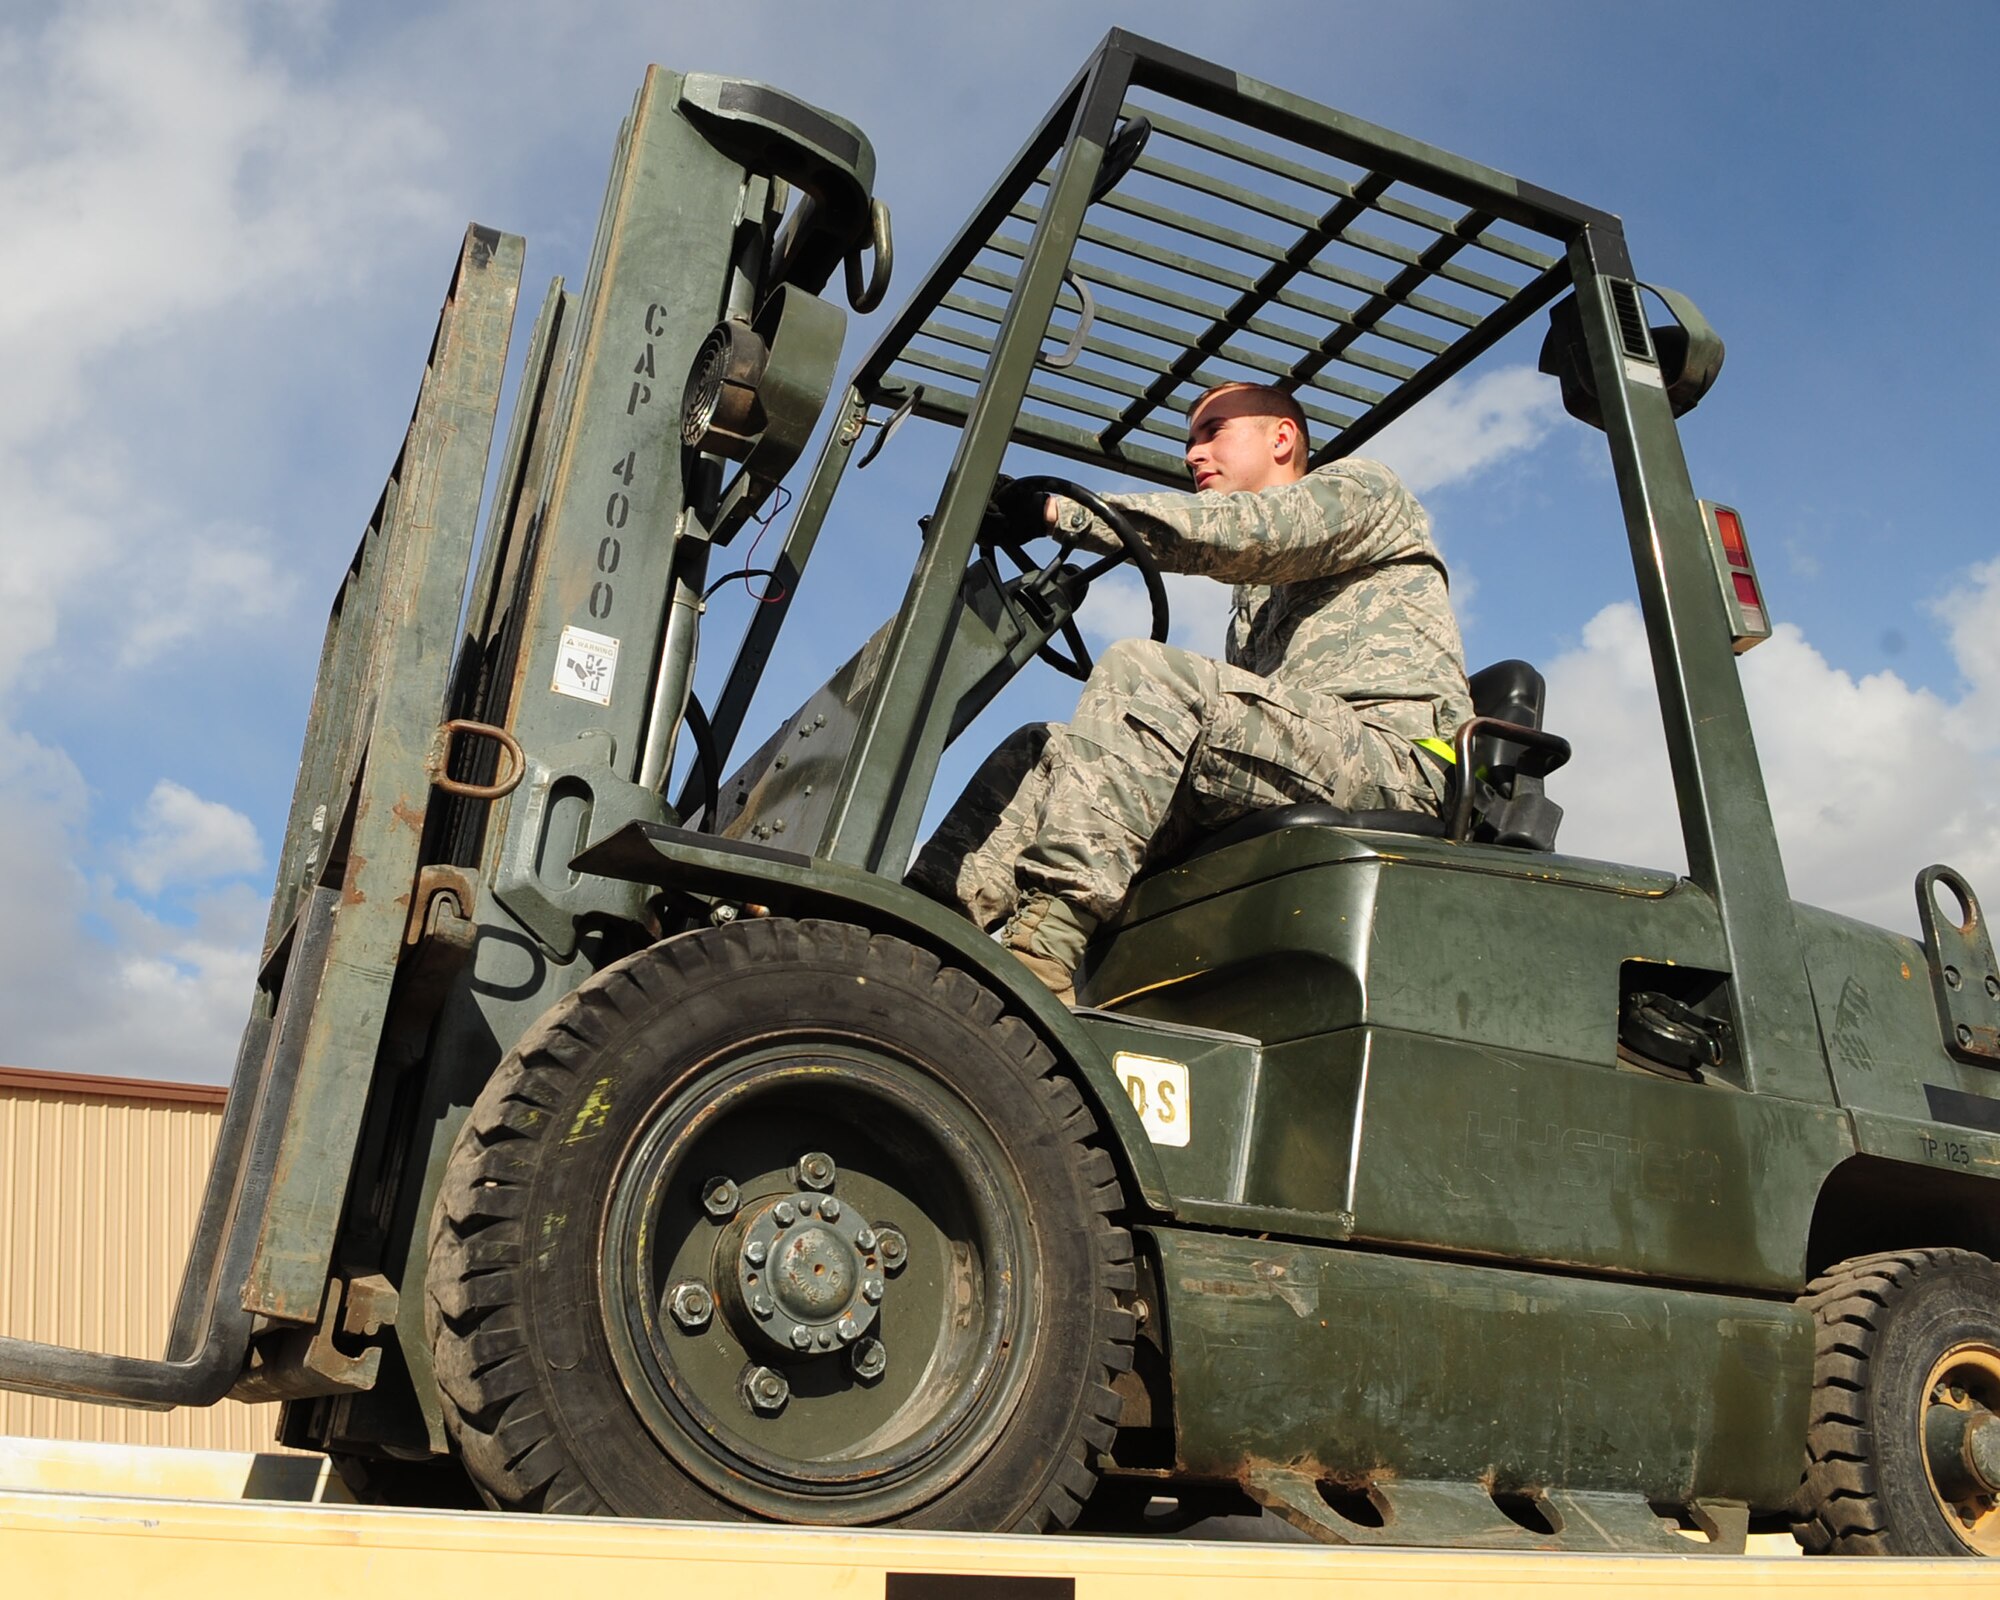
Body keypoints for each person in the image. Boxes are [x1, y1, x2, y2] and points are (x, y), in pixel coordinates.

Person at [906, 380, 1472, 1005]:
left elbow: (1247, 532)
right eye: (1190, 444)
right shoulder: (1254, 602)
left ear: (1282, 438)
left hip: (1397, 759)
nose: (1193, 456)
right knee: (1046, 751)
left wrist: (1056, 512)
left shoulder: (1365, 491)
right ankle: (927, 930)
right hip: (1302, 763)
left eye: (1212, 433)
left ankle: (1045, 949)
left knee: (1145, 670)